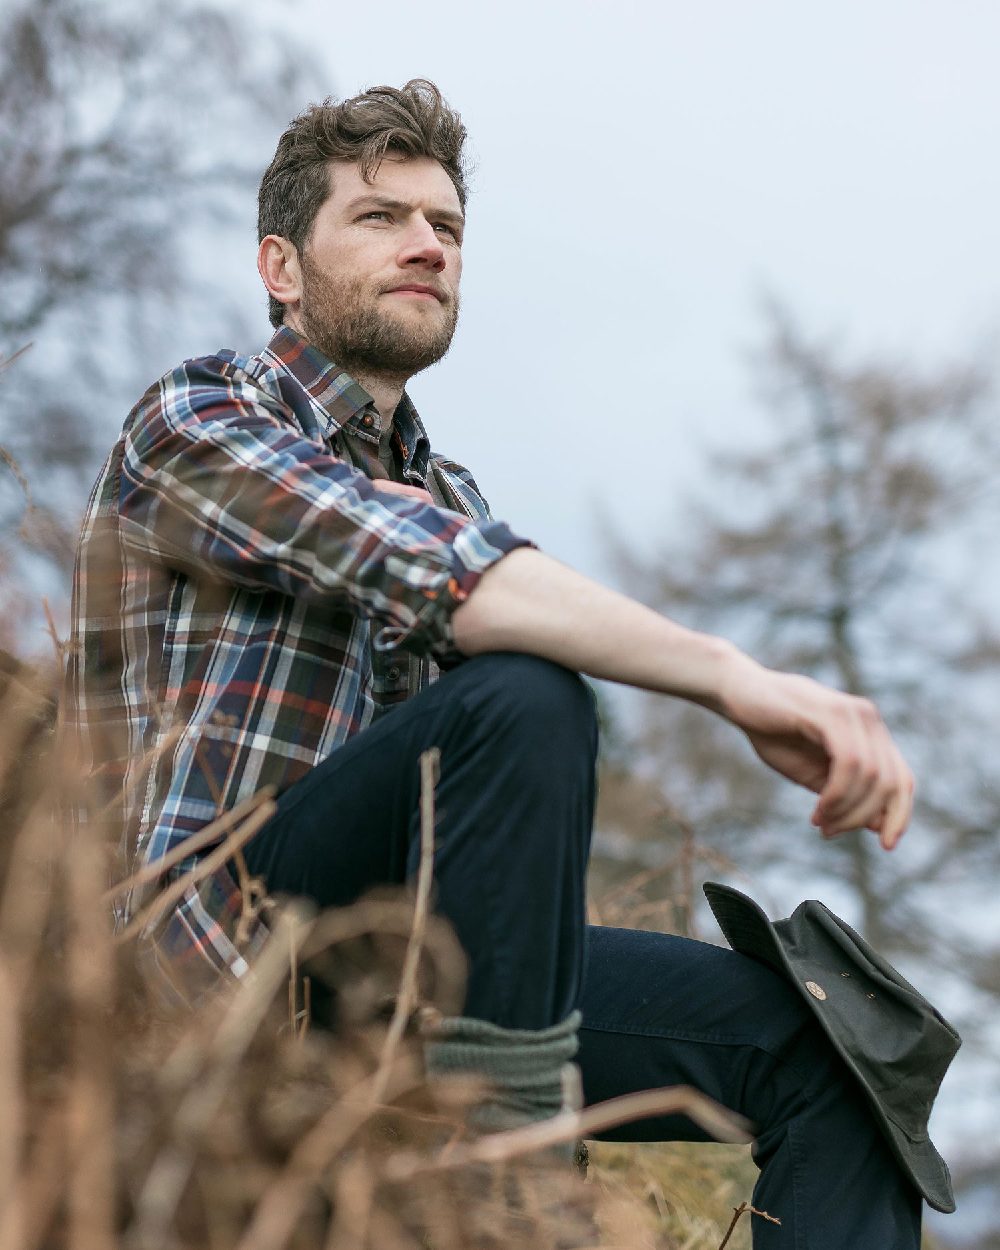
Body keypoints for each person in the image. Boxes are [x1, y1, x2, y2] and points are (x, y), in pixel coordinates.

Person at [67, 80, 922, 1246]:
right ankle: (505, 1195)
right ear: (281, 266)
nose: (427, 244)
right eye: (380, 217)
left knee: (830, 1050)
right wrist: (732, 677)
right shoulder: (199, 415)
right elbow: (431, 565)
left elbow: (471, 618)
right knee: (521, 693)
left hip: (401, 973)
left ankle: (492, 1123)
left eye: (448, 226)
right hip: (212, 954)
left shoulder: (456, 492)